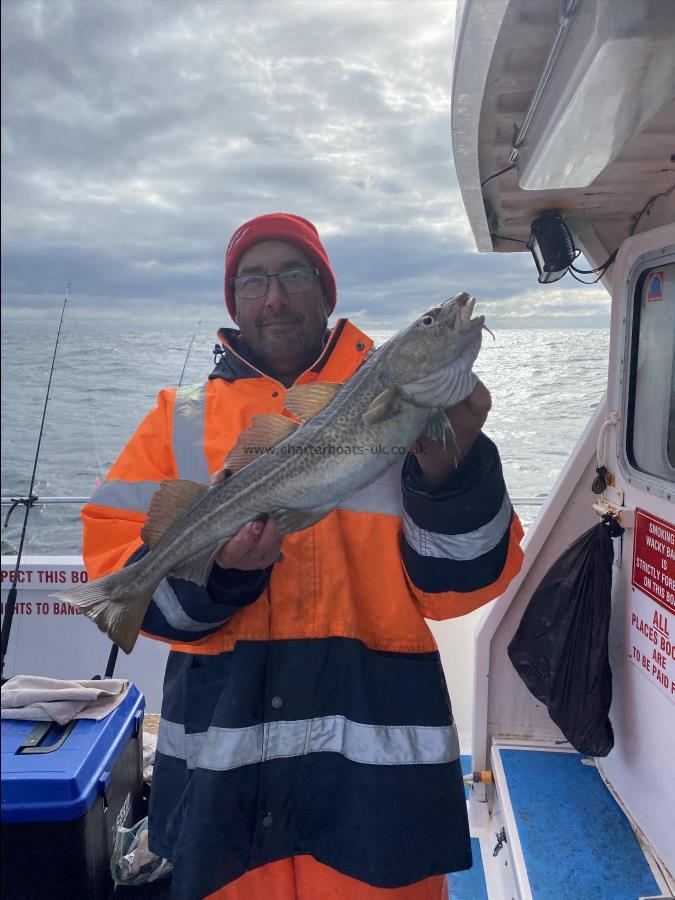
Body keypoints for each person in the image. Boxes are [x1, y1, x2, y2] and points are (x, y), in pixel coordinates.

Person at [82, 213, 524, 899]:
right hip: (224, 786)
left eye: (293, 275)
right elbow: (114, 562)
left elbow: (461, 588)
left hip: (374, 780)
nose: (274, 297)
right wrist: (222, 575)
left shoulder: (405, 403)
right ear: (233, 301)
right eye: (253, 280)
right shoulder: (178, 415)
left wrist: (450, 475)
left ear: (326, 292)